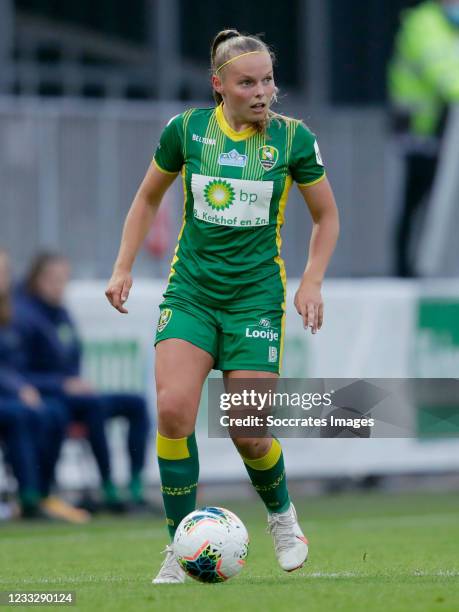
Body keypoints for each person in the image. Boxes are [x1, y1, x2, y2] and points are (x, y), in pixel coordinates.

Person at [106, 29, 339, 583]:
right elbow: (147, 196)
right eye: (247, 82)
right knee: (173, 410)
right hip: (191, 293)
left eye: (268, 80)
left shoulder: (293, 140)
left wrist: (311, 282)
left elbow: (327, 216)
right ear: (220, 86)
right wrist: (122, 266)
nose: (262, 92)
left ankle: (282, 516)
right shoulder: (186, 131)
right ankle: (178, 546)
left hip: (255, 300)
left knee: (246, 429)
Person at [15, 252, 151, 512]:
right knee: (93, 406)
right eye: (52, 279)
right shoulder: (24, 316)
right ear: (36, 280)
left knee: (136, 404)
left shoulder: (61, 313)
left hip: (76, 395)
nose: (59, 286)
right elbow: (18, 373)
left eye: (63, 279)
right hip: (50, 397)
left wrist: (74, 382)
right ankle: (108, 488)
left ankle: (135, 487)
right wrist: (61, 384)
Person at [0, 248, 89, 522]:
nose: (4, 277)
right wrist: (19, 388)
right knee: (22, 414)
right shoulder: (25, 312)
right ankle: (29, 496)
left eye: (6, 271)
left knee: (52, 412)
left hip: (12, 392)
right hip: (9, 395)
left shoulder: (11, 311)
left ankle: (39, 493)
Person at [388, 0, 459, 277]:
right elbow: (442, 73)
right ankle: (408, 270)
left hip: (445, 130)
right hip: (420, 130)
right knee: (415, 199)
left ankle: (429, 267)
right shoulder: (424, 23)